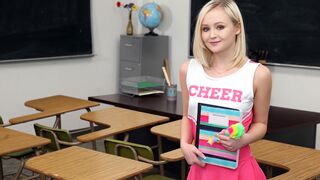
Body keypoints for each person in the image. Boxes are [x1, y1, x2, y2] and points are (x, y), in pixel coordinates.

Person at [179, 0, 272, 179]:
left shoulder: (258, 74)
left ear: (237, 27)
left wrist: (243, 140)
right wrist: (184, 143)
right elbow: (186, 115)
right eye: (205, 29)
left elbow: (261, 124)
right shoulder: (188, 70)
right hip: (201, 168)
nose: (212, 35)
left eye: (220, 27)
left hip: (239, 171)